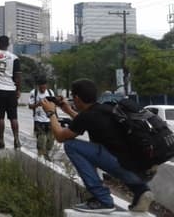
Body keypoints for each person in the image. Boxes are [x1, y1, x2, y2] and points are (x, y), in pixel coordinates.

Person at [40, 79, 154, 213]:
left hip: (122, 164)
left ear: (76, 97)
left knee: (71, 145)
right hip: (141, 165)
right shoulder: (105, 108)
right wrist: (69, 110)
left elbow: (60, 136)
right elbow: (86, 120)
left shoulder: (88, 116)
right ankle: (141, 190)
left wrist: (51, 113)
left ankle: (102, 199)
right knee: (109, 152)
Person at [28, 76, 56, 160]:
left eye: (44, 87)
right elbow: (30, 106)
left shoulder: (50, 92)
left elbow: (54, 105)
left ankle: (46, 154)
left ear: (46, 85)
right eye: (41, 87)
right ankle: (41, 158)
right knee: (41, 140)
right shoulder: (34, 93)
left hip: (49, 120)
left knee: (50, 142)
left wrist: (55, 117)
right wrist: (38, 104)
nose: (43, 89)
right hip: (38, 121)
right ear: (38, 86)